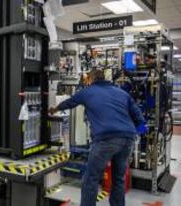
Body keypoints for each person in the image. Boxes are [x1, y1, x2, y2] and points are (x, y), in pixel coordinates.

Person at [49, 69, 147, 206]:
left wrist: (54, 109)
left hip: (106, 139)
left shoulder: (87, 92)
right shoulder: (121, 92)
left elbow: (69, 102)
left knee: (91, 179)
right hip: (128, 138)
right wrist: (141, 125)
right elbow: (136, 110)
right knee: (118, 179)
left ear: (91, 79)